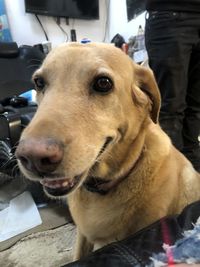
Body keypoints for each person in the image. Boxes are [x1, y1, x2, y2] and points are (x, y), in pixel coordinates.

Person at [145, 0, 200, 172]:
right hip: (169, 14)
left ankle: (192, 175)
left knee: (196, 106)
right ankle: (172, 174)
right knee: (171, 107)